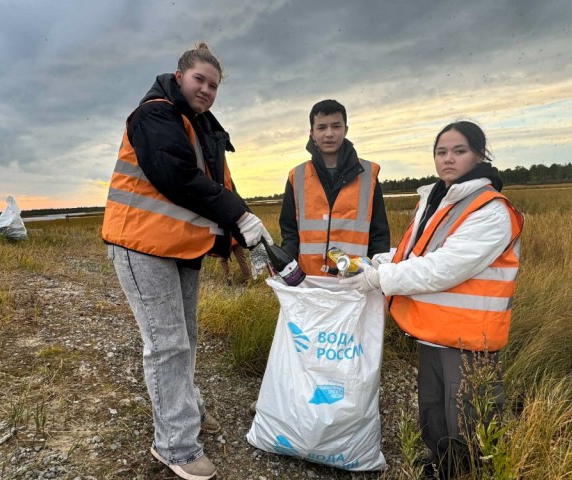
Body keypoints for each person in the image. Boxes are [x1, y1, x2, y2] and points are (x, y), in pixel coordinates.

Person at [101, 43, 272, 480]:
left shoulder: (200, 128)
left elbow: (218, 184)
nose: (207, 90)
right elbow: (175, 175)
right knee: (167, 344)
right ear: (179, 77)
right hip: (140, 244)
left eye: (214, 85)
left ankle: (187, 409)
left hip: (180, 246)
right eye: (200, 80)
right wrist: (238, 215)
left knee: (186, 337)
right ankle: (174, 445)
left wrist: (242, 229)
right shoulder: (153, 115)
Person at [341, 121, 524, 478]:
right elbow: (418, 253)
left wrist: (379, 279)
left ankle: (467, 472)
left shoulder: (490, 210)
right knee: (434, 409)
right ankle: (441, 467)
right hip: (435, 329)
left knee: (468, 417)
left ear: (480, 155)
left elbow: (443, 267)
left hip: (471, 338)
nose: (448, 159)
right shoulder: (439, 199)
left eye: (459, 151)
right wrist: (377, 261)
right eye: (441, 152)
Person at [279, 99, 390, 276]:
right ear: (312, 133)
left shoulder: (369, 175)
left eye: (336, 126)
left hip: (355, 280)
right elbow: (289, 231)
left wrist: (374, 274)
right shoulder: (297, 176)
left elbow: (379, 235)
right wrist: (285, 267)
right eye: (321, 128)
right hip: (309, 280)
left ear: (346, 130)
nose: (329, 134)